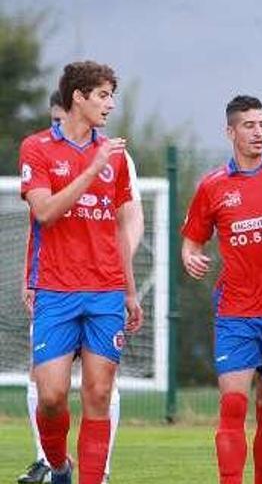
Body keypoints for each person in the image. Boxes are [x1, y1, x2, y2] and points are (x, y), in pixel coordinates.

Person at [18, 61, 143, 484]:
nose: (110, 105)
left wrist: (130, 292)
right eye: (102, 95)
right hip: (55, 289)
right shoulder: (37, 148)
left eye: (112, 96)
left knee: (99, 393)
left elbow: (120, 228)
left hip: (105, 290)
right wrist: (92, 168)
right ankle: (59, 465)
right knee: (51, 396)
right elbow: (45, 212)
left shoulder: (116, 157)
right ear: (78, 97)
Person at [181, 95, 262, 484]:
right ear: (230, 131)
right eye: (250, 125)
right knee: (233, 403)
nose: (259, 133)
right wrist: (190, 256)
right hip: (236, 312)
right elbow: (192, 241)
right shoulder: (213, 186)